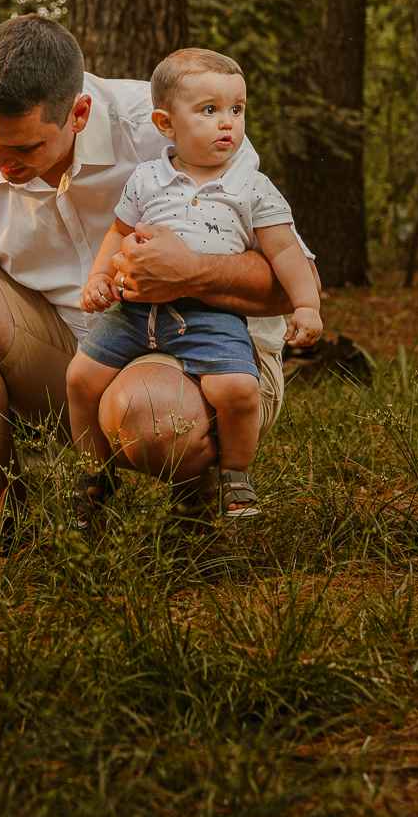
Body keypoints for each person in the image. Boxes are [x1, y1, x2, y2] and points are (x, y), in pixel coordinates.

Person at [0, 14, 315, 529]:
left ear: (80, 113)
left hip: (202, 356)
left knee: (151, 417)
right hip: (71, 361)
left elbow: (292, 285)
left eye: (25, 148)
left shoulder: (180, 125)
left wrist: (196, 272)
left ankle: (199, 510)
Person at [67, 47, 321, 523]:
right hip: (134, 312)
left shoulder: (252, 186)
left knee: (238, 390)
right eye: (209, 110)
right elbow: (119, 233)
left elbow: (285, 251)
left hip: (210, 316)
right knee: (80, 378)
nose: (228, 123)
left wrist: (305, 306)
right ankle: (92, 474)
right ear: (166, 124)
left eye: (236, 110)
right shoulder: (147, 179)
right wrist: (100, 277)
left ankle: (235, 476)